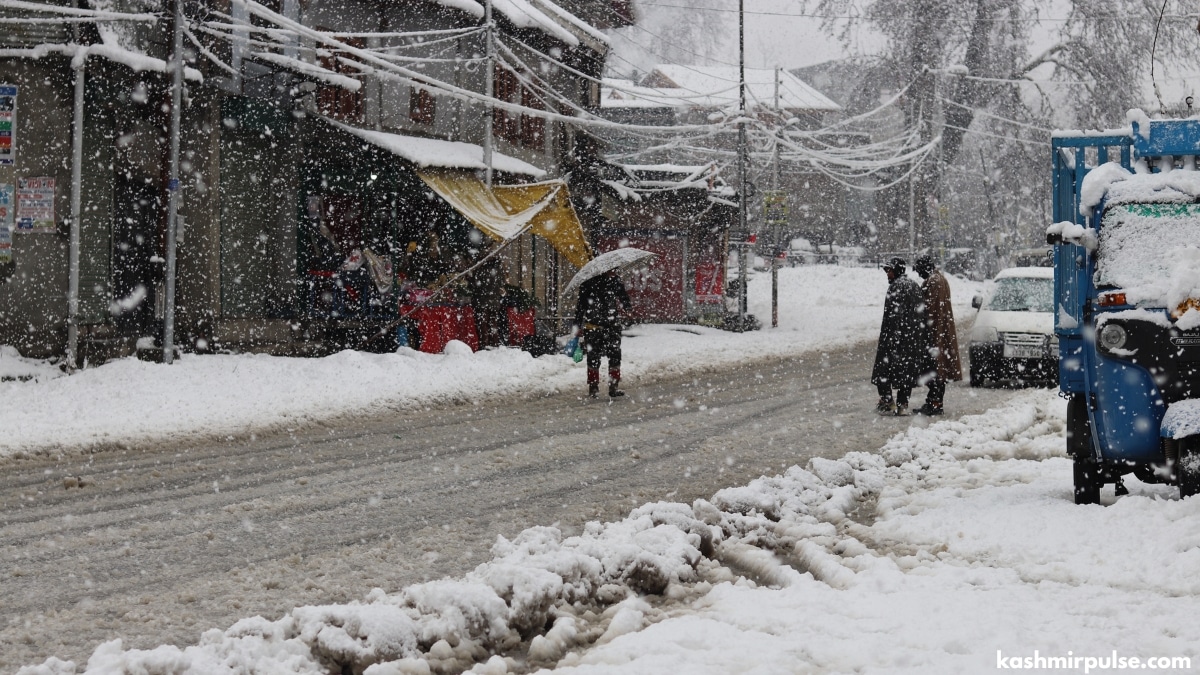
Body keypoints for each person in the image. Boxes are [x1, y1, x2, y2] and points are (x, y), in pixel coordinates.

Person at [870, 257, 930, 416]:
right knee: (907, 373)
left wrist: (890, 338)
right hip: (912, 339)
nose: (887, 274)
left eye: (889, 270)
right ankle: (903, 404)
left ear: (896, 270)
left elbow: (891, 317)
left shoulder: (896, 287)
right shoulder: (914, 286)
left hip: (896, 338)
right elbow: (922, 313)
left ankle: (887, 401)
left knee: (883, 371)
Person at [914, 254, 962, 415]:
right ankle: (935, 402)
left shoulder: (933, 282)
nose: (919, 274)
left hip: (934, 332)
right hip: (941, 330)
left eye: (919, 271)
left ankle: (934, 403)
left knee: (934, 368)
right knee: (939, 368)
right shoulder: (940, 279)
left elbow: (928, 309)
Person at [575, 270, 632, 398]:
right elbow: (581, 306)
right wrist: (577, 325)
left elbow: (623, 297)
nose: (614, 271)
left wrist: (627, 308)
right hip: (600, 326)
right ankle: (599, 387)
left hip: (603, 326)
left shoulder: (608, 281)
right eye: (612, 270)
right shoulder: (593, 283)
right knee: (600, 357)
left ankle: (605, 387)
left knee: (607, 356)